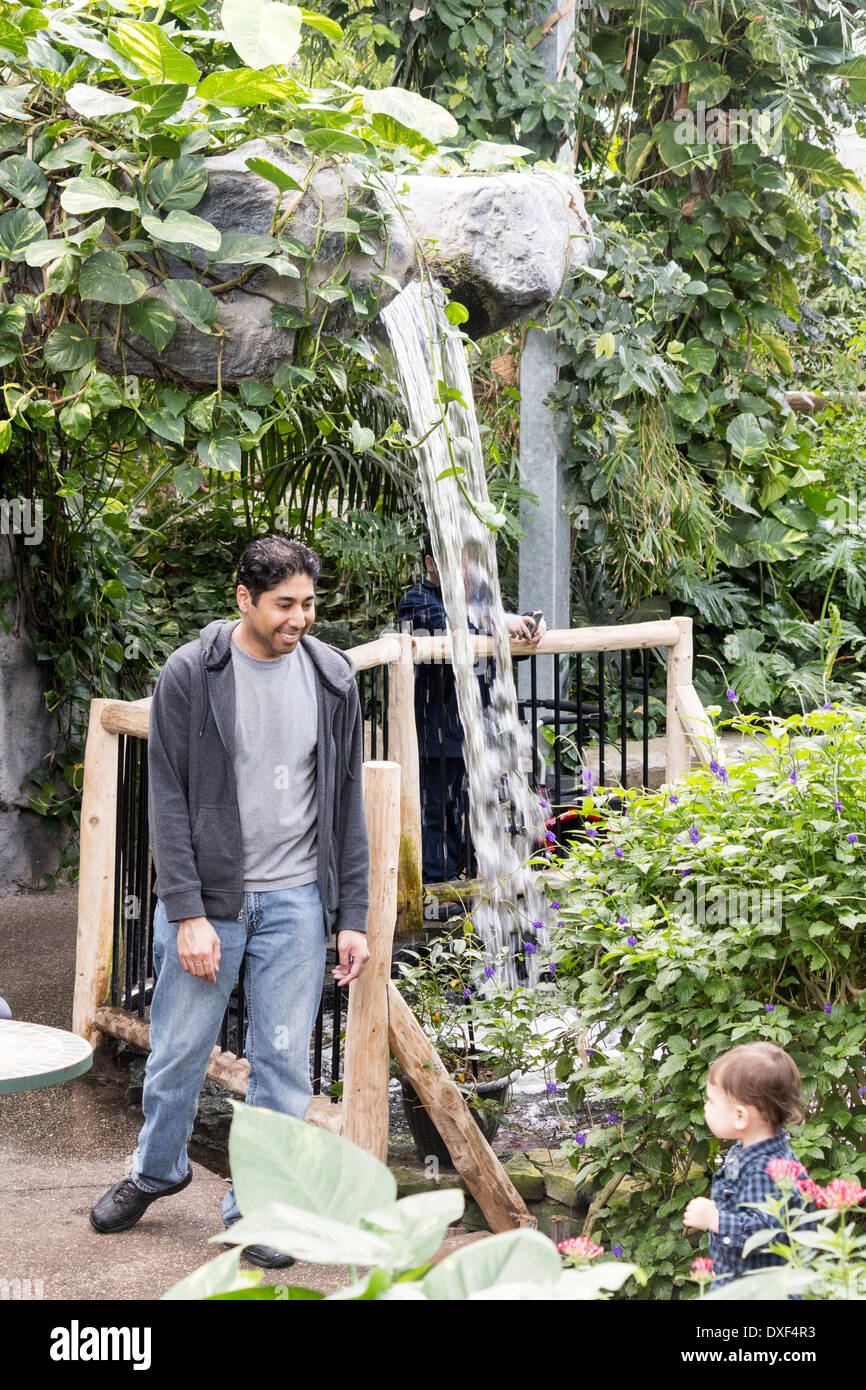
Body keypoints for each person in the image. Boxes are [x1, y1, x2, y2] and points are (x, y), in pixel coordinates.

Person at [90, 535, 371, 1268]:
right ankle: (157, 1170)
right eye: (286, 604)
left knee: (284, 1063)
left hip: (297, 902)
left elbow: (346, 804)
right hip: (211, 902)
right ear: (243, 598)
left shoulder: (334, 677)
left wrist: (352, 918)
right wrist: (185, 913)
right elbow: (169, 802)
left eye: (309, 603)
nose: (301, 618)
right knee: (179, 1051)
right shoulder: (192, 672)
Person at [396, 535, 547, 885]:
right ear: (431, 563)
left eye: (469, 562)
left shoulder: (479, 605)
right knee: (436, 815)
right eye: (456, 561)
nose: (467, 571)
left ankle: (473, 884)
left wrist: (532, 627)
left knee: (478, 812)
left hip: (478, 733)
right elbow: (450, 626)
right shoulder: (417, 600)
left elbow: (509, 640)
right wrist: (500, 619)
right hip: (435, 733)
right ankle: (436, 893)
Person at [683, 1041, 811, 1289]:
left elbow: (768, 1233)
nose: (705, 1107)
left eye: (711, 1101)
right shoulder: (746, 1152)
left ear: (740, 1116)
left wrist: (716, 1219)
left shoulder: (766, 1170)